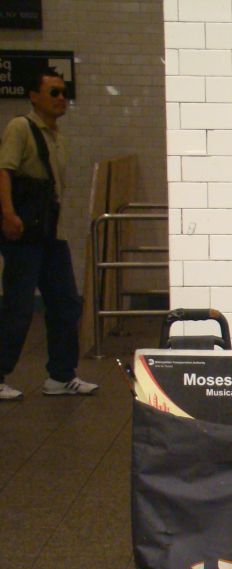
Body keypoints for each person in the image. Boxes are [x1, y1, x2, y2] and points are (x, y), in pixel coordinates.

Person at [0, 68, 97, 401]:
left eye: (64, 92)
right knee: (18, 307)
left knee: (65, 303)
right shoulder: (21, 128)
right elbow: (5, 171)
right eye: (53, 92)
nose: (61, 98)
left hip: (51, 234)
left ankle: (60, 375)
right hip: (25, 234)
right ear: (33, 96)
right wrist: (9, 214)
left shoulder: (57, 136)